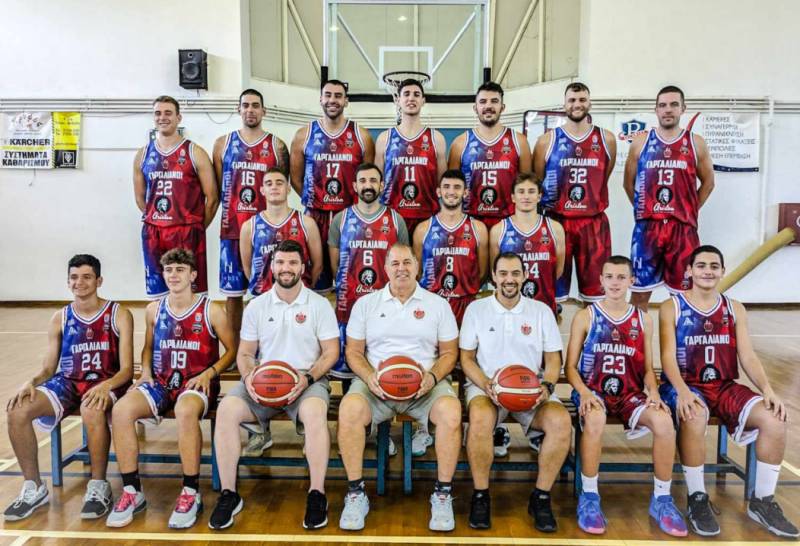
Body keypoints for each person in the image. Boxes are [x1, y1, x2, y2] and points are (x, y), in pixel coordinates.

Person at [659, 245, 798, 538]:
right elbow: (668, 356)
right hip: (686, 384)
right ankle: (697, 498)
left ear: (722, 271)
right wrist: (682, 391)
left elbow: (747, 355)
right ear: (689, 271)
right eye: (701, 265)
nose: (707, 271)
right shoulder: (672, 307)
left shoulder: (735, 308)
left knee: (774, 418)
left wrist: (768, 389)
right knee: (694, 414)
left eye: (714, 266)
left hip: (723, 386)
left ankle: (762, 502)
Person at [209, 240, 339, 530]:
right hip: (263, 379)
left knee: (315, 414)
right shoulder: (257, 305)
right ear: (272, 266)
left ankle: (317, 493)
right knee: (227, 410)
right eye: (280, 262)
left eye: (292, 262)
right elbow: (245, 353)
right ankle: (229, 494)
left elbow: (331, 352)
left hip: (306, 379)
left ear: (302, 267)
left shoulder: (319, 305)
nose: (286, 268)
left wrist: (308, 378)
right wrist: (248, 378)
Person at [106, 249, 235, 529]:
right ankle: (131, 491)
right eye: (168, 270)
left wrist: (210, 373)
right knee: (121, 410)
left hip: (196, 382)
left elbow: (232, 350)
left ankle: (190, 491)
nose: (173, 275)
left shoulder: (211, 310)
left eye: (180, 270)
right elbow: (148, 347)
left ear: (193, 275)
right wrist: (146, 370)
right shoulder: (154, 309)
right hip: (162, 381)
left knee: (185, 411)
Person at [337, 243, 461, 532]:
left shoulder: (437, 304)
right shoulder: (366, 304)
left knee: (452, 413)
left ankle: (443, 494)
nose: (401, 268)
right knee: (349, 410)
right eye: (395, 263)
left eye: (407, 262)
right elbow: (353, 352)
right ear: (385, 268)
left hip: (424, 387)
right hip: (377, 386)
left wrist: (432, 378)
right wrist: (369, 376)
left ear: (417, 267)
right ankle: (355, 492)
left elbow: (449, 353)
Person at [4, 255, 133, 521]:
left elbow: (127, 370)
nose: (79, 282)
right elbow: (49, 369)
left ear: (99, 281)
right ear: (68, 281)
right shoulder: (60, 317)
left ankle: (98, 485)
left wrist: (106, 386)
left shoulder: (118, 313)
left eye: (86, 277)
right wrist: (31, 382)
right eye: (74, 277)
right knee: (17, 409)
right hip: (69, 382)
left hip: (106, 381)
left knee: (91, 408)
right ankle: (34, 487)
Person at [565, 255, 686, 536]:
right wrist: (583, 392)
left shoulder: (643, 319)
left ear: (632, 281)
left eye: (621, 277)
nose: (615, 282)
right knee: (595, 419)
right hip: (593, 390)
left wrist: (653, 392)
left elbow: (647, 369)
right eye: (609, 276)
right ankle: (589, 496)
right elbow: (570, 367)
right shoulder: (586, 316)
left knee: (664, 422)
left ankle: (662, 499)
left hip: (629, 393)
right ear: (601, 280)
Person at [459, 252, 570, 532]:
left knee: (561, 421)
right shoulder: (477, 309)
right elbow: (466, 358)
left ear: (524, 276)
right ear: (494, 277)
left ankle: (541, 497)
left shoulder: (541, 311)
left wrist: (547, 386)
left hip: (531, 389)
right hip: (487, 388)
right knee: (480, 419)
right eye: (504, 273)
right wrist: (485, 383)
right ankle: (481, 495)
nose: (510, 279)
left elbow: (553, 360)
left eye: (515, 273)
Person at [411, 169, 488, 457]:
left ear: (465, 192)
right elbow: (418, 270)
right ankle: (423, 426)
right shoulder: (423, 229)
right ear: (438, 191)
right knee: (430, 363)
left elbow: (482, 270)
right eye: (447, 187)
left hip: (466, 304)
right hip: (433, 305)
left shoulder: (478, 229)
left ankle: (473, 425)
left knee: (469, 365)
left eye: (457, 187)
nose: (452, 192)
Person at [623, 85, 715, 309]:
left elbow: (709, 183)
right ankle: (638, 334)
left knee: (685, 296)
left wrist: (689, 209)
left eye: (674, 104)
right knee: (639, 295)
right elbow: (628, 183)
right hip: (647, 229)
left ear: (683, 108)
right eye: (663, 105)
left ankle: (679, 334)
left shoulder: (695, 142)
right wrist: (643, 209)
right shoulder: (641, 142)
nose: (668, 109)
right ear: (655, 109)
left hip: (682, 230)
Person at [213, 89, 289, 347]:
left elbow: (282, 185)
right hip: (232, 230)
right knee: (233, 295)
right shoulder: (223, 144)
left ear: (263, 111)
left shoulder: (277, 146)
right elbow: (218, 187)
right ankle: (235, 349)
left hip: (267, 231)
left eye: (255, 105)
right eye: (245, 105)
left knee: (267, 292)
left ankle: (268, 345)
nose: (250, 110)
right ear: (238, 109)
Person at [534, 82, 616, 305]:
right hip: (557, 222)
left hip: (593, 224)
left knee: (596, 295)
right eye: (572, 100)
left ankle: (591, 328)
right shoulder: (547, 141)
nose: (577, 104)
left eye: (582, 100)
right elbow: (537, 182)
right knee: (551, 295)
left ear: (589, 103)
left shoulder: (606, 139)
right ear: (564, 104)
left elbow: (603, 176)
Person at [290, 79, 375, 291]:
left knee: (352, 281)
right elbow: (296, 178)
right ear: (320, 99)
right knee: (315, 282)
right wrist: (316, 200)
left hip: (349, 217)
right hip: (315, 216)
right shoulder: (303, 135)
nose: (332, 100)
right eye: (328, 95)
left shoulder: (361, 136)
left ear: (346, 101)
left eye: (338, 96)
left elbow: (368, 179)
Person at [328, 163, 409, 380]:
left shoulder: (396, 220)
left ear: (382, 185)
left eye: (373, 180)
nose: (368, 185)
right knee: (347, 372)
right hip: (350, 303)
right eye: (362, 181)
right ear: (355, 186)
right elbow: (336, 266)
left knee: (385, 367)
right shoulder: (340, 220)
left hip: (385, 305)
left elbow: (403, 265)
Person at [134, 95, 218, 298]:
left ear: (179, 118)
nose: (162, 117)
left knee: (192, 293)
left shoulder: (195, 152)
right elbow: (140, 198)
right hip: (154, 231)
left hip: (187, 230)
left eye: (168, 113)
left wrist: (196, 227)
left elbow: (213, 198)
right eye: (158, 113)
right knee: (157, 294)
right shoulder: (142, 154)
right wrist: (159, 219)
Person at [448, 81, 531, 229]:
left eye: (494, 101)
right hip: (470, 220)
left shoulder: (519, 141)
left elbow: (527, 185)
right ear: (475, 108)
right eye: (483, 102)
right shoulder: (460, 143)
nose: (488, 106)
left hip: (509, 220)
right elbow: (452, 188)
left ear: (502, 107)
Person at [375, 78, 447, 236]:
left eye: (416, 94)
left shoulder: (436, 139)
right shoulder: (384, 138)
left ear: (423, 101)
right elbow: (377, 184)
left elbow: (442, 184)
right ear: (397, 100)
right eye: (406, 94)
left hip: (427, 216)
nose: (411, 98)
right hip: (392, 215)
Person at [240, 167, 322, 297]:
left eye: (279, 183)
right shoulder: (249, 226)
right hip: (263, 298)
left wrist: (304, 289)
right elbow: (247, 268)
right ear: (262, 190)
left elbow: (317, 265)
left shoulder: (307, 223)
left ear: (288, 188)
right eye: (269, 184)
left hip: (298, 297)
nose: (274, 187)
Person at [490, 174, 565, 316]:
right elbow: (495, 272)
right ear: (513, 197)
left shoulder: (555, 228)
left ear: (539, 196)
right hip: (510, 308)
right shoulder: (499, 230)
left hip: (545, 306)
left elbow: (558, 271)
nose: (526, 196)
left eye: (531, 191)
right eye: (521, 191)